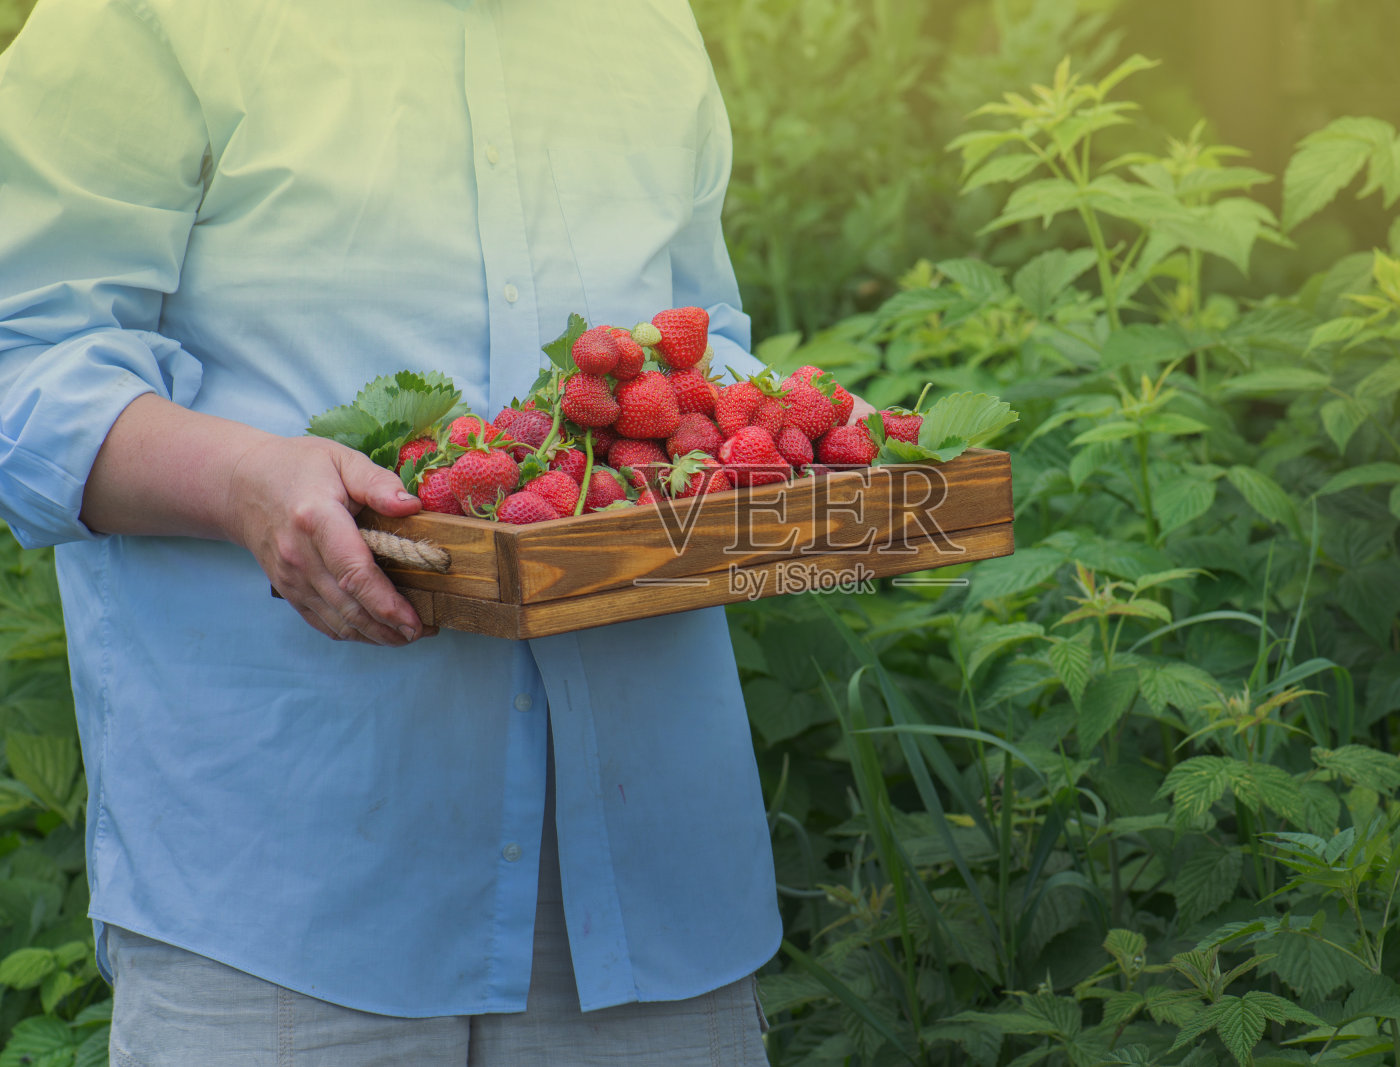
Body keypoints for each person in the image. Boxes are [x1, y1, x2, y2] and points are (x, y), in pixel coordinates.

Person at [0, 1, 803, 1062]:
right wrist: (245, 480)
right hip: (289, 882)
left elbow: (701, 351)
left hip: (653, 871)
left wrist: (813, 464)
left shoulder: (648, 21)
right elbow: (25, 363)